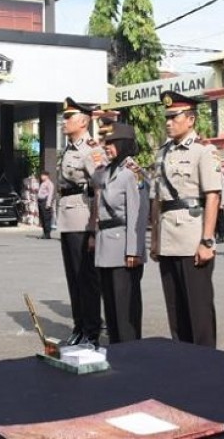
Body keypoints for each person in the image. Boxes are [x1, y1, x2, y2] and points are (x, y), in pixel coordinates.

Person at [150, 90, 222, 347]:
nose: (168, 122)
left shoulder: (204, 151)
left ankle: (205, 364)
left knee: (198, 310)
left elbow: (213, 197)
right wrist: (155, 240)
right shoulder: (162, 153)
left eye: (174, 116)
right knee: (176, 310)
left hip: (193, 238)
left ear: (190, 119)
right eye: (166, 118)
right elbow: (157, 201)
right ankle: (181, 360)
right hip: (168, 238)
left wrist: (207, 241)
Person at [56, 97, 106, 346]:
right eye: (64, 117)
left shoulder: (91, 150)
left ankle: (91, 329)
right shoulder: (67, 148)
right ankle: (79, 325)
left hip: (82, 220)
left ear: (84, 121)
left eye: (69, 117)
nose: (64, 121)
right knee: (73, 277)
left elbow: (99, 189)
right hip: (67, 219)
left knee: (85, 278)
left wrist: (95, 227)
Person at [94, 123, 148, 343]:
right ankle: (116, 348)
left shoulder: (133, 174)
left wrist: (134, 250)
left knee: (125, 307)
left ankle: (131, 350)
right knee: (111, 306)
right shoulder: (107, 170)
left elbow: (138, 214)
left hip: (124, 246)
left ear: (124, 144)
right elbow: (92, 182)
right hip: (105, 244)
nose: (107, 147)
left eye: (112, 143)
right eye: (106, 143)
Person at [36, 171, 54, 240]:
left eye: (42, 175)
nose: (41, 177)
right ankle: (44, 233)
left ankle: (47, 234)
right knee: (42, 218)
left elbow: (50, 194)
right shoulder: (43, 183)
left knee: (46, 218)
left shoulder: (50, 184)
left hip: (45, 202)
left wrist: (48, 204)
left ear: (47, 176)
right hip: (40, 201)